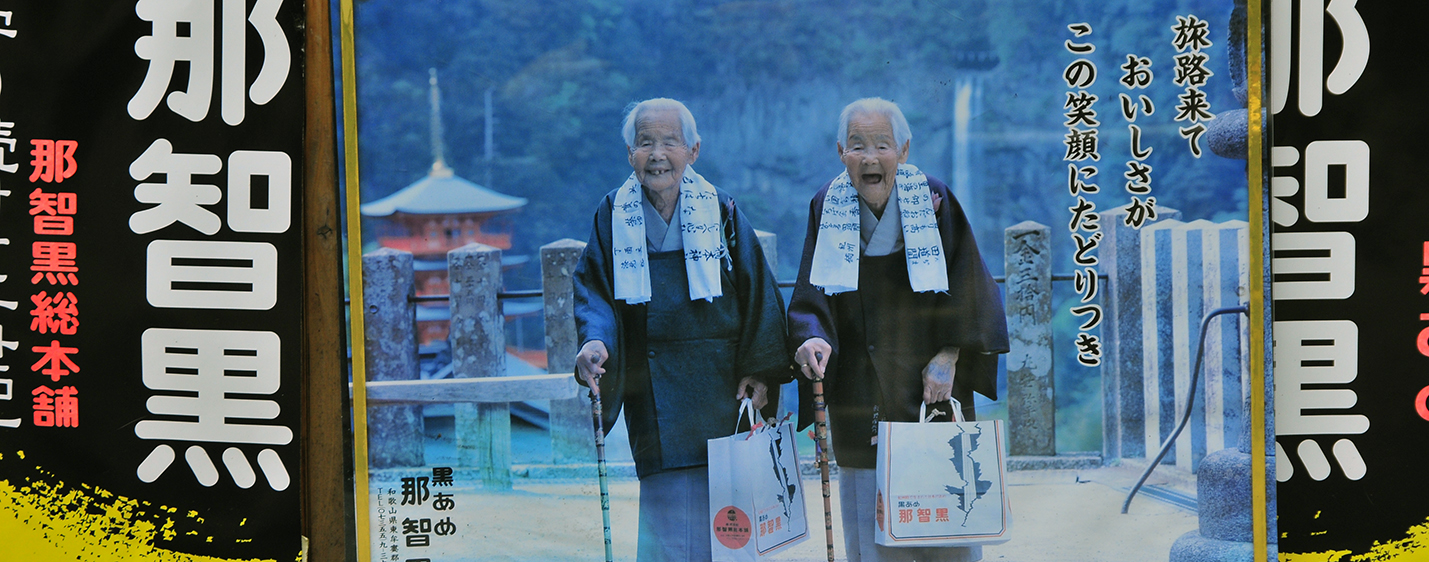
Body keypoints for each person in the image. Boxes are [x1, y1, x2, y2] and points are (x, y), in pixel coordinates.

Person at [787, 98, 1009, 562]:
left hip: (929, 387)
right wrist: (810, 336)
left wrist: (950, 357)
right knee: (871, 539)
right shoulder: (827, 204)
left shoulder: (935, 198)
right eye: (857, 146)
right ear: (840, 153)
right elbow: (812, 294)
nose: (870, 158)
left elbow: (969, 285)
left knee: (947, 527)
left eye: (882, 146)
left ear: (903, 151)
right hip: (858, 389)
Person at [572, 97, 791, 561]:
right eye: (645, 142)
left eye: (670, 142)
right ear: (629, 153)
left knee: (733, 531)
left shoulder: (722, 209)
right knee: (667, 534)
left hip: (724, 389)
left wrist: (761, 371)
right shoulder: (613, 214)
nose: (657, 154)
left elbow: (758, 293)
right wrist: (594, 342)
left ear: (693, 150)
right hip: (654, 394)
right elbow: (595, 292)